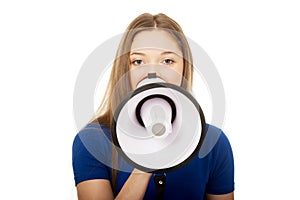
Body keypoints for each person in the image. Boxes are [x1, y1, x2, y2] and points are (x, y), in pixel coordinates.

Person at [72, 13, 234, 200]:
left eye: (168, 61)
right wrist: (144, 163)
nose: (152, 72)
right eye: (138, 61)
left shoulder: (213, 143)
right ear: (125, 69)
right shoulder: (93, 140)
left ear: (184, 68)